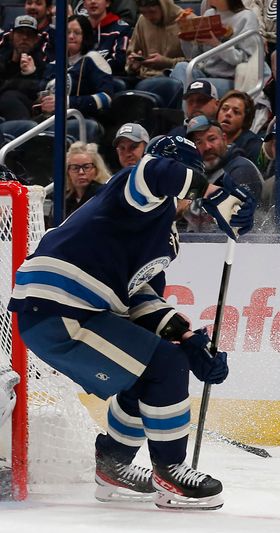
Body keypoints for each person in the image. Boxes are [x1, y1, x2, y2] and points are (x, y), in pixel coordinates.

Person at [7, 135, 256, 510]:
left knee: (149, 368)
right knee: (164, 365)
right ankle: (170, 470)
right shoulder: (132, 193)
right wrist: (214, 191)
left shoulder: (164, 237)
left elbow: (140, 300)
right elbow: (154, 171)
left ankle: (113, 467)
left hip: (74, 311)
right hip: (58, 309)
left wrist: (188, 339)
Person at [171, 0, 259, 96]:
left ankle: (186, 109)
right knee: (181, 67)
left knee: (197, 86)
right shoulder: (209, 14)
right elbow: (194, 57)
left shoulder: (247, 17)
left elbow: (246, 59)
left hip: (231, 79)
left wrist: (217, 45)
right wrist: (185, 35)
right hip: (205, 73)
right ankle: (185, 109)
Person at [39, 15, 114, 121]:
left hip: (81, 120)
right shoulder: (54, 64)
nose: (71, 36)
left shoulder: (93, 59)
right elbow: (41, 93)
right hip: (50, 119)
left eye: (77, 33)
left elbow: (106, 98)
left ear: (86, 36)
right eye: (68, 32)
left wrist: (66, 102)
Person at [126, 0, 191, 109]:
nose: (148, 17)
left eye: (152, 12)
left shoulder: (186, 20)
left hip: (175, 77)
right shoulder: (143, 20)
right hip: (144, 76)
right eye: (144, 12)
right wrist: (133, 65)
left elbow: (197, 63)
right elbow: (131, 53)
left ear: (164, 6)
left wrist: (167, 63)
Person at [0, 15, 48, 121]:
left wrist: (31, 74)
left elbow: (37, 93)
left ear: (36, 39)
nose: (24, 38)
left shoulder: (42, 61)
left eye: (29, 34)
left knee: (9, 96)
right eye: (20, 32)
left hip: (30, 114)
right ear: (12, 35)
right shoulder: (3, 57)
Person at [62, 141, 112, 219]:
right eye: (75, 168)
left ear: (97, 169)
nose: (81, 172)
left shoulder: (106, 196)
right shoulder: (63, 200)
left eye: (87, 167)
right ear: (68, 172)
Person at [84, 0, 132, 76]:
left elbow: (120, 62)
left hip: (111, 77)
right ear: (84, 4)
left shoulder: (121, 28)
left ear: (108, 3)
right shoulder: (79, 28)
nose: (92, 1)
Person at [216, 89, 262, 165]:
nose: (228, 114)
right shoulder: (209, 140)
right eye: (224, 109)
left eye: (236, 112)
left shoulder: (254, 147)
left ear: (245, 119)